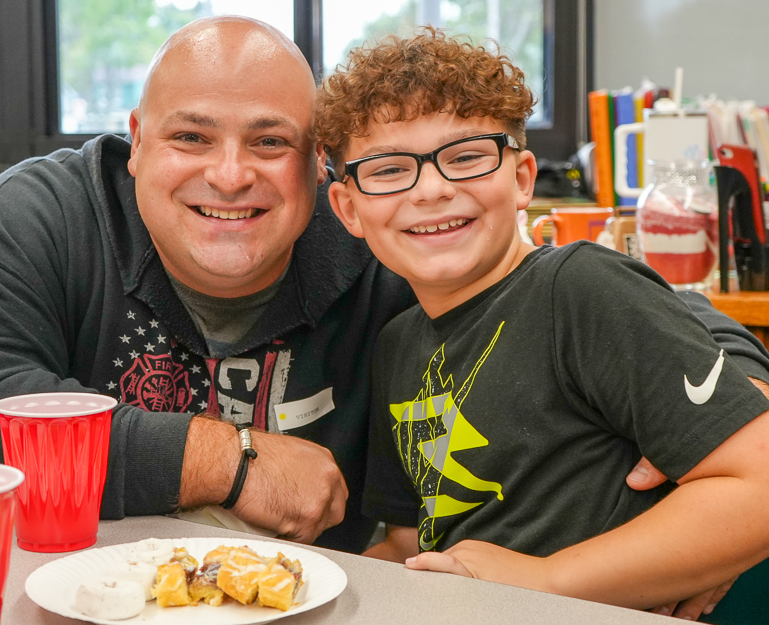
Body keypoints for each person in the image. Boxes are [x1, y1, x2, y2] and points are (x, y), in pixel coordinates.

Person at [0, 20, 764, 611]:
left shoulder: (395, 260)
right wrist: (223, 460)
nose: (230, 175)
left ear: (318, 179)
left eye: (270, 142)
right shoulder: (49, 214)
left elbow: (607, 307)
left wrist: (704, 461)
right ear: (135, 142)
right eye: (191, 137)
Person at [316, 28, 769, 612]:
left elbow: (758, 484)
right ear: (349, 208)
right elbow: (410, 540)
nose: (431, 189)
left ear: (523, 177)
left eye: (466, 157)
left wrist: (547, 578)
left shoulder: (579, 288)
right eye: (387, 169)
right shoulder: (397, 345)